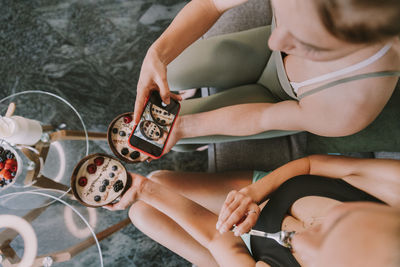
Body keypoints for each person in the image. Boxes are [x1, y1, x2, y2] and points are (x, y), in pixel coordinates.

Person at [134, 0, 400, 153]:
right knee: (177, 69)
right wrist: (156, 53)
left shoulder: (347, 111)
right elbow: (211, 3)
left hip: (276, 99)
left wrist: (183, 129)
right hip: (257, 56)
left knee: (182, 143)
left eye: (306, 43)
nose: (275, 42)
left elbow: (262, 117)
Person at [106, 154, 400, 266]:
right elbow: (312, 165)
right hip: (268, 194)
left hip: (241, 254)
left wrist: (146, 191)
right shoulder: (393, 188)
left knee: (142, 213)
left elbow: (220, 241)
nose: (295, 237)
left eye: (317, 251)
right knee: (161, 178)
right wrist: (255, 193)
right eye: (330, 223)